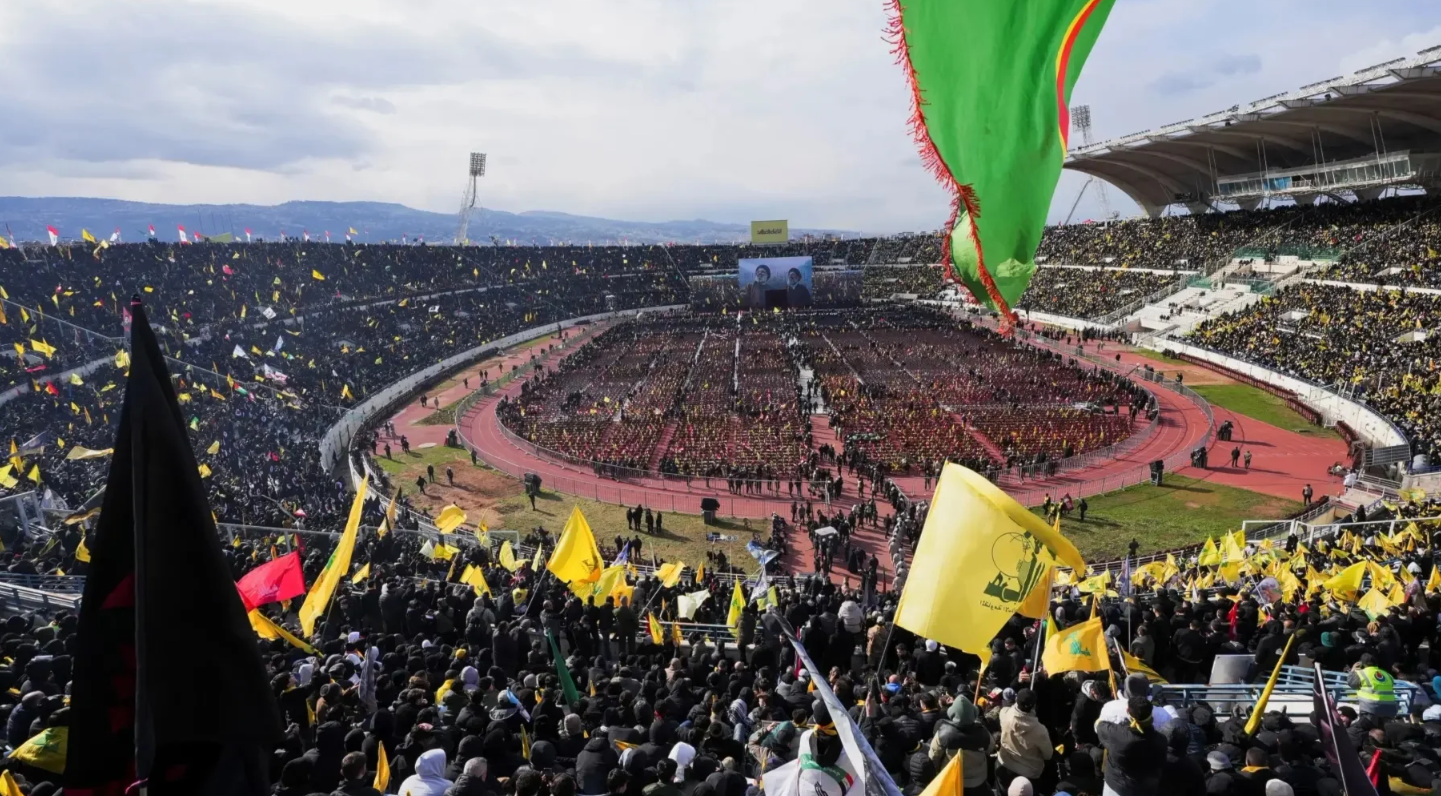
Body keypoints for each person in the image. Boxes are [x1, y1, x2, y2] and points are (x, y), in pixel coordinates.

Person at [1096, 696, 1166, 796]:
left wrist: (1123, 724)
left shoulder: (1117, 735)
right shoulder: (1161, 740)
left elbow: (1100, 725)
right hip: (1146, 789)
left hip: (1117, 786)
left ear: (1127, 710)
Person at [996, 689, 1052, 792]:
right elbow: (1048, 755)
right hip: (1028, 774)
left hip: (1004, 765)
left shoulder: (1004, 713)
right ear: (1034, 706)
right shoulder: (1040, 730)